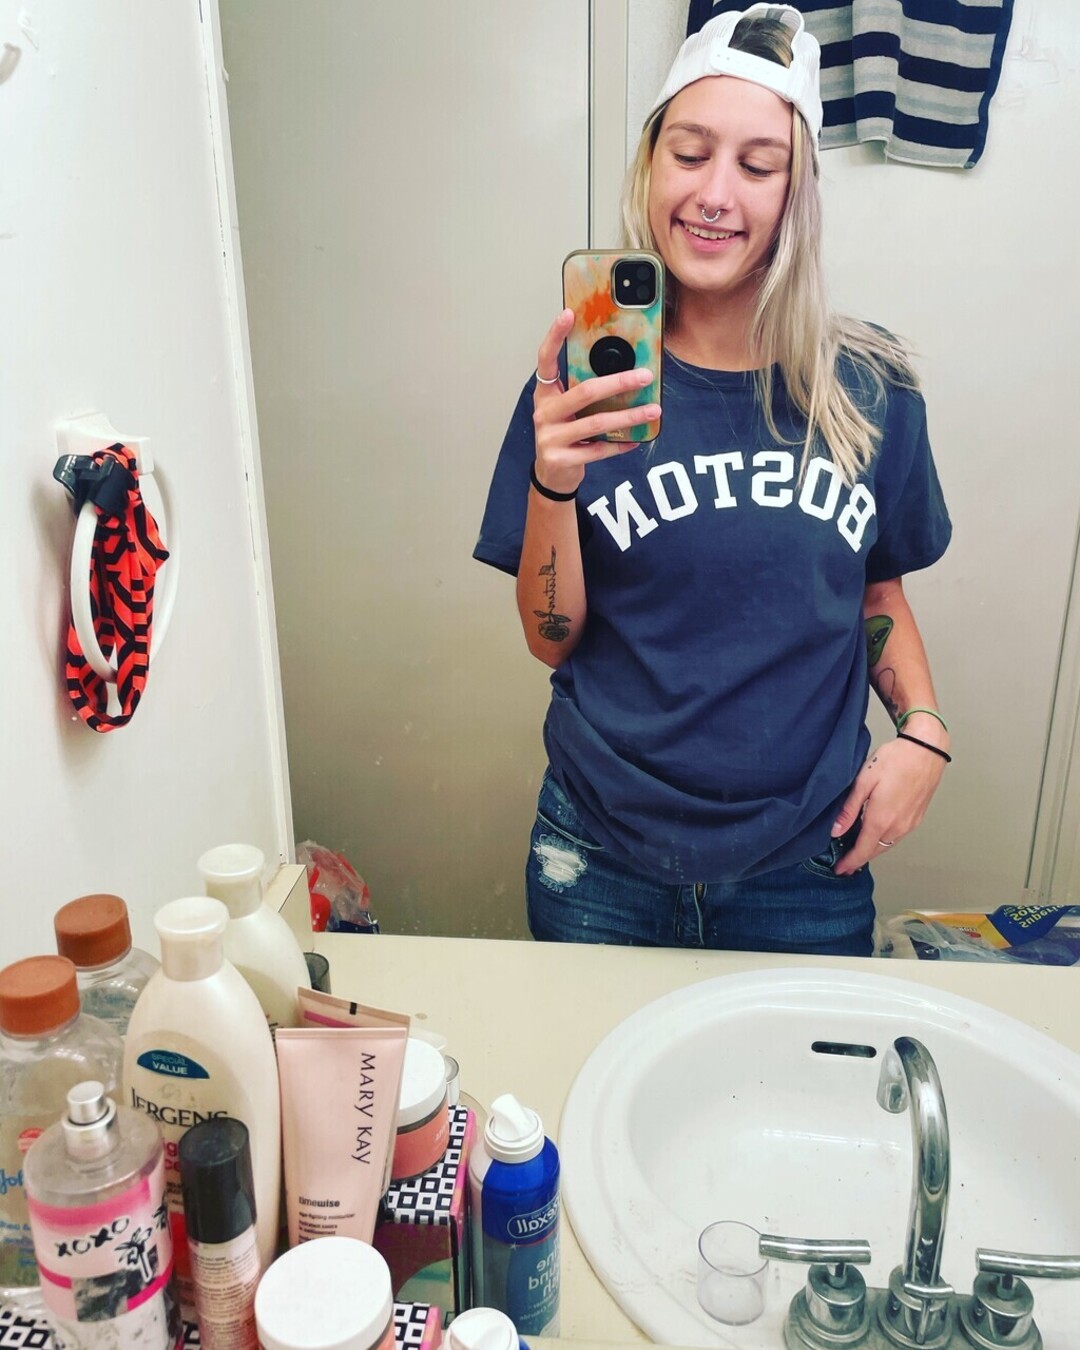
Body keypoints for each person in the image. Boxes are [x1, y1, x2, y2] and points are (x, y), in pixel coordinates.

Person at [473, 4, 952, 955]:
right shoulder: (584, 389)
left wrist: (925, 733)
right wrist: (552, 485)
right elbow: (551, 641)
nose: (715, 194)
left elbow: (877, 590)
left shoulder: (872, 389)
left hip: (804, 870)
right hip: (598, 860)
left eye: (757, 166)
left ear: (797, 193)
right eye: (690, 154)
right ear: (651, 167)